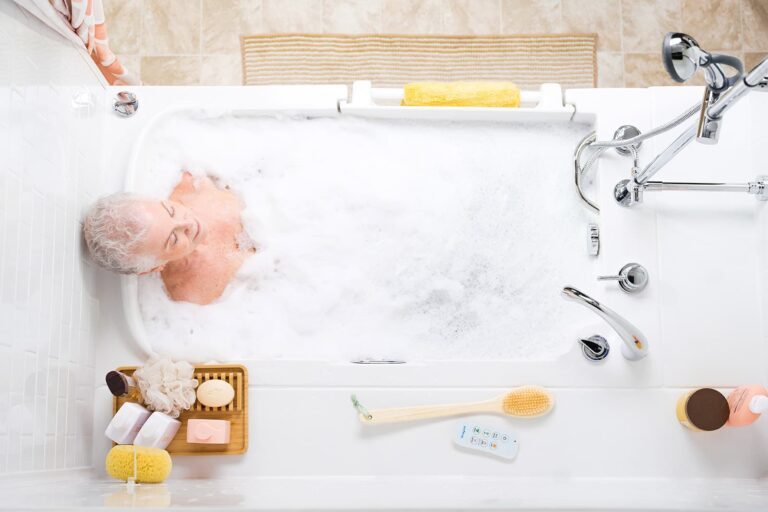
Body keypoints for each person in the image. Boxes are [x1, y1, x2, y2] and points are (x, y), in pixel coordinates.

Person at [83, 172, 254, 305]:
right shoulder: (194, 293)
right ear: (153, 268)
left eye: (171, 211)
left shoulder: (193, 182)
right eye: (173, 239)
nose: (188, 223)